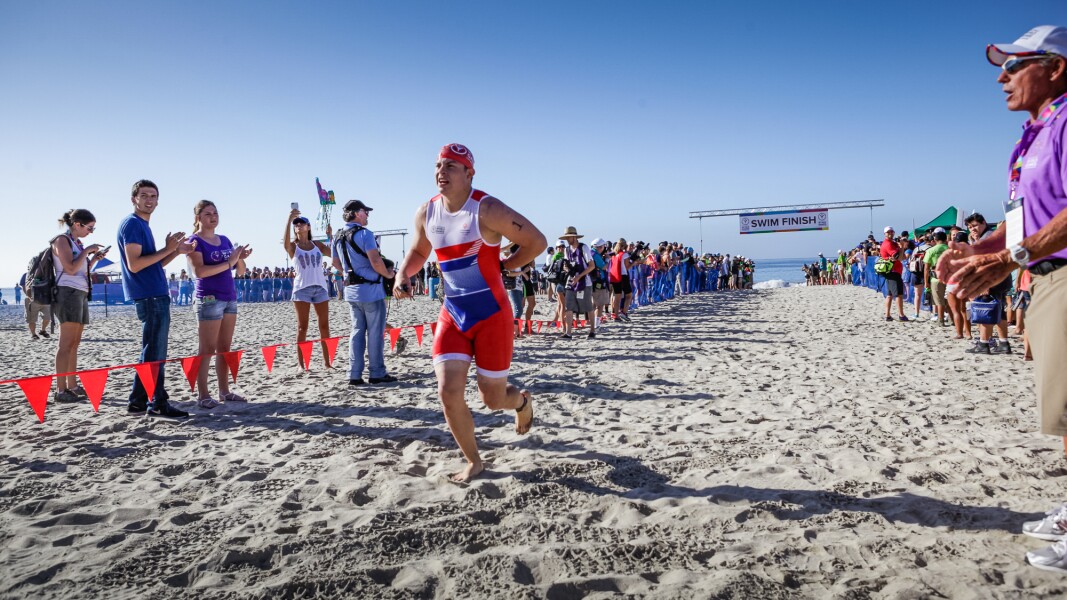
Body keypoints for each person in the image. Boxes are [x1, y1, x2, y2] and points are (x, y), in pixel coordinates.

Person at [940, 25, 1067, 572]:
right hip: (1045, 279)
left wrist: (1007, 261)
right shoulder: (1033, 134)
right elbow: (1023, 222)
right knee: (1063, 411)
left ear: (1055, 68)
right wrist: (979, 250)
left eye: (1014, 66)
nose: (1002, 77)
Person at [393, 143, 547, 482]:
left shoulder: (486, 209)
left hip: (492, 315)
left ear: (469, 173)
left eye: (450, 166)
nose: (440, 172)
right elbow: (420, 250)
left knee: (493, 399)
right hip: (453, 313)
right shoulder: (426, 212)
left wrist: (508, 264)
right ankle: (474, 461)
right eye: (437, 165)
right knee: (448, 392)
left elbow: (537, 241)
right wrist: (404, 273)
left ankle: (520, 403)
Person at [117, 179, 194, 418]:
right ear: (134, 199)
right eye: (144, 195)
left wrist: (174, 251)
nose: (149, 200)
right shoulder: (132, 224)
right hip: (149, 296)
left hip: (154, 293)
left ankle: (138, 401)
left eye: (153, 196)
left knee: (151, 350)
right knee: (155, 352)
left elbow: (154, 264)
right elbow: (136, 265)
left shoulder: (141, 225)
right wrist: (168, 247)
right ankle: (157, 402)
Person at [189, 200, 251, 409]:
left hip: (229, 297)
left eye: (215, 213)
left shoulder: (224, 239)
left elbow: (240, 272)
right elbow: (200, 272)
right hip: (209, 298)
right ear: (198, 217)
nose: (213, 217)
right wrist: (229, 263)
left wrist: (239, 258)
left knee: (225, 348)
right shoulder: (195, 241)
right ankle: (203, 394)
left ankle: (224, 391)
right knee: (206, 348)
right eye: (207, 214)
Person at [332, 199, 396, 385]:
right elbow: (376, 261)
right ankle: (377, 372)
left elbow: (336, 263)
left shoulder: (337, 235)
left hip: (351, 290)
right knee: (375, 333)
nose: (367, 215)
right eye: (365, 212)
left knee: (357, 331)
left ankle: (354, 373)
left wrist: (349, 273)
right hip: (370, 289)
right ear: (358, 213)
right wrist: (389, 274)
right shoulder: (365, 234)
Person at [51, 209, 108, 403]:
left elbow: (81, 269)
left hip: (80, 292)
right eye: (89, 227)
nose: (91, 231)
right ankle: (60, 390)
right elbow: (70, 268)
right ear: (77, 224)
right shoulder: (61, 240)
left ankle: (72, 385)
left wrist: (93, 259)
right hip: (67, 293)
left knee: (74, 343)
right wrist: (86, 251)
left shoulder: (77, 243)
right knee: (65, 344)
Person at [284, 209, 334, 368]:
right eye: (296, 224)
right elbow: (285, 242)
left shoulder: (317, 245)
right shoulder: (293, 247)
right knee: (302, 327)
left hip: (320, 287)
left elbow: (333, 253)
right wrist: (288, 219)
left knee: (324, 327)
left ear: (309, 227)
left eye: (301, 223)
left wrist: (330, 236)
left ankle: (327, 363)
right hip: (301, 289)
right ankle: (301, 365)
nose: (298, 225)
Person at [560, 226, 597, 339]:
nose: (567, 240)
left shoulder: (583, 248)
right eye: (566, 238)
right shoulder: (567, 250)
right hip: (571, 281)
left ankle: (592, 330)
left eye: (569, 237)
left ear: (574, 237)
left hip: (585, 282)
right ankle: (568, 332)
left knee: (588, 307)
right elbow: (567, 265)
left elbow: (592, 266)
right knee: (569, 307)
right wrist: (566, 269)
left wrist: (579, 276)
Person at [879, 226, 908, 321]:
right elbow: (899, 257)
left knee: (890, 295)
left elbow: (903, 257)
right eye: (888, 232)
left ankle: (888, 315)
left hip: (892, 271)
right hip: (893, 271)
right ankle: (901, 315)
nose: (890, 233)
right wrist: (902, 247)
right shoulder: (888, 244)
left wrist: (901, 248)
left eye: (892, 232)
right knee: (898, 294)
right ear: (885, 234)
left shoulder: (893, 243)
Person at [19, 272, 51, 340]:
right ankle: (33, 334)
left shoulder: (47, 273)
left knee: (47, 317)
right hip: (31, 299)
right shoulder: (26, 274)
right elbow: (23, 286)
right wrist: (29, 296)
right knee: (31, 319)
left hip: (45, 300)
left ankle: (43, 330)